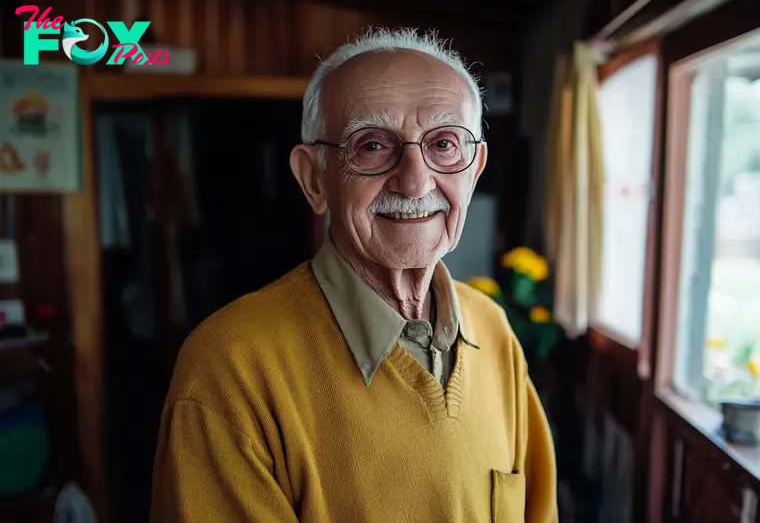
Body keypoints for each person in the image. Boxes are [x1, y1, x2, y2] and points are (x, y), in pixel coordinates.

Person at [150, 28, 557, 523]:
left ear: (473, 171)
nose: (414, 181)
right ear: (314, 178)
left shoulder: (492, 331)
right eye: (371, 146)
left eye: (445, 143)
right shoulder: (227, 369)